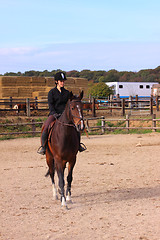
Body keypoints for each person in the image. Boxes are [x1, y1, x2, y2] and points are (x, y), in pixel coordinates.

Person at [38, 71, 86, 155]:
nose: (62, 82)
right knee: (46, 127)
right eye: (61, 81)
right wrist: (54, 113)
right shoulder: (51, 93)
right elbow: (51, 105)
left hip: (65, 115)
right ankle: (43, 147)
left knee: (76, 129)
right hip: (54, 114)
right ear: (56, 81)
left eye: (63, 81)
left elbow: (71, 103)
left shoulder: (67, 93)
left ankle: (78, 145)